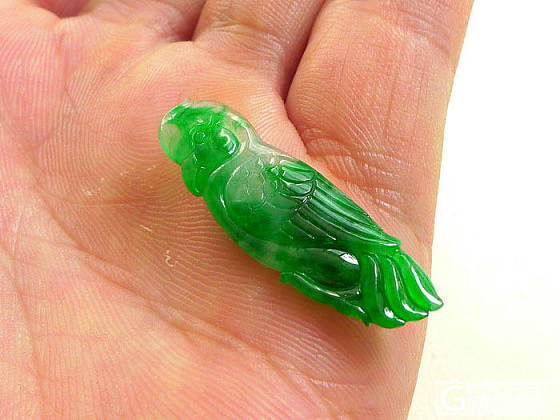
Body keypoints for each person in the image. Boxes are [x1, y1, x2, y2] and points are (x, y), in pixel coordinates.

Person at [0, 0, 472, 417]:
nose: (207, 143)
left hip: (334, 239)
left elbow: (322, 209)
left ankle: (371, 285)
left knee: (340, 264)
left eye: (210, 132)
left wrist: (371, 247)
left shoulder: (264, 169)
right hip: (299, 258)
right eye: (197, 142)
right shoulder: (220, 187)